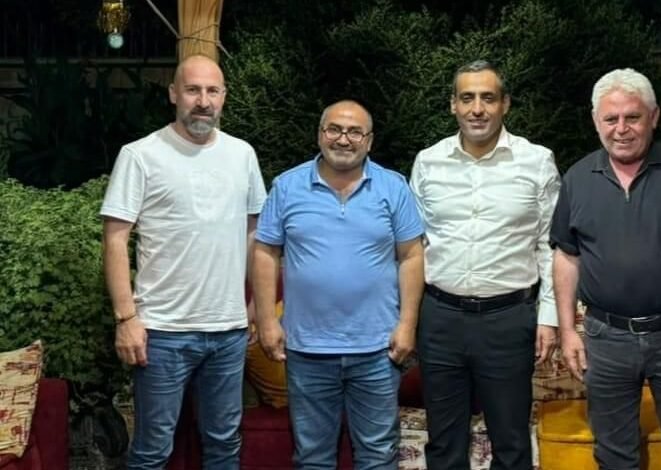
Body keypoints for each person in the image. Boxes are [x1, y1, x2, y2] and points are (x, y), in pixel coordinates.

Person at [550, 68, 661, 469]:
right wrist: (567, 330)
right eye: (610, 119)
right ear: (596, 121)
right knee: (614, 457)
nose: (621, 129)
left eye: (632, 117)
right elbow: (566, 257)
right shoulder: (578, 178)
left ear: (654, 117)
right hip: (606, 339)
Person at [101, 54, 267, 469]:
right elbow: (115, 239)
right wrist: (126, 318)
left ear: (224, 96)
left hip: (228, 331)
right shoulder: (140, 155)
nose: (203, 101)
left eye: (212, 91)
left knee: (224, 444)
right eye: (193, 90)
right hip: (162, 331)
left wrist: (256, 307)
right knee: (153, 449)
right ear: (174, 94)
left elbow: (254, 233)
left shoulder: (242, 154)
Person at [251, 100, 424, 469]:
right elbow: (265, 252)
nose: (343, 139)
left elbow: (411, 256)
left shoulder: (393, 187)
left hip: (378, 349)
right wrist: (266, 321)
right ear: (320, 134)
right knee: (313, 457)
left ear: (369, 141)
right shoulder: (287, 186)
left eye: (355, 132)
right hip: (307, 349)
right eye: (334, 129)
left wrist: (408, 324)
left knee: (377, 456)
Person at [409, 60, 560, 470]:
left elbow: (550, 246)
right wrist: (408, 318)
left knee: (511, 445)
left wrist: (549, 317)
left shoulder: (537, 161)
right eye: (467, 98)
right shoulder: (428, 162)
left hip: (508, 320)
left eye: (488, 98)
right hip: (440, 319)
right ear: (453, 105)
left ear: (504, 104)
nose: (477, 109)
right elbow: (413, 246)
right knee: (444, 445)